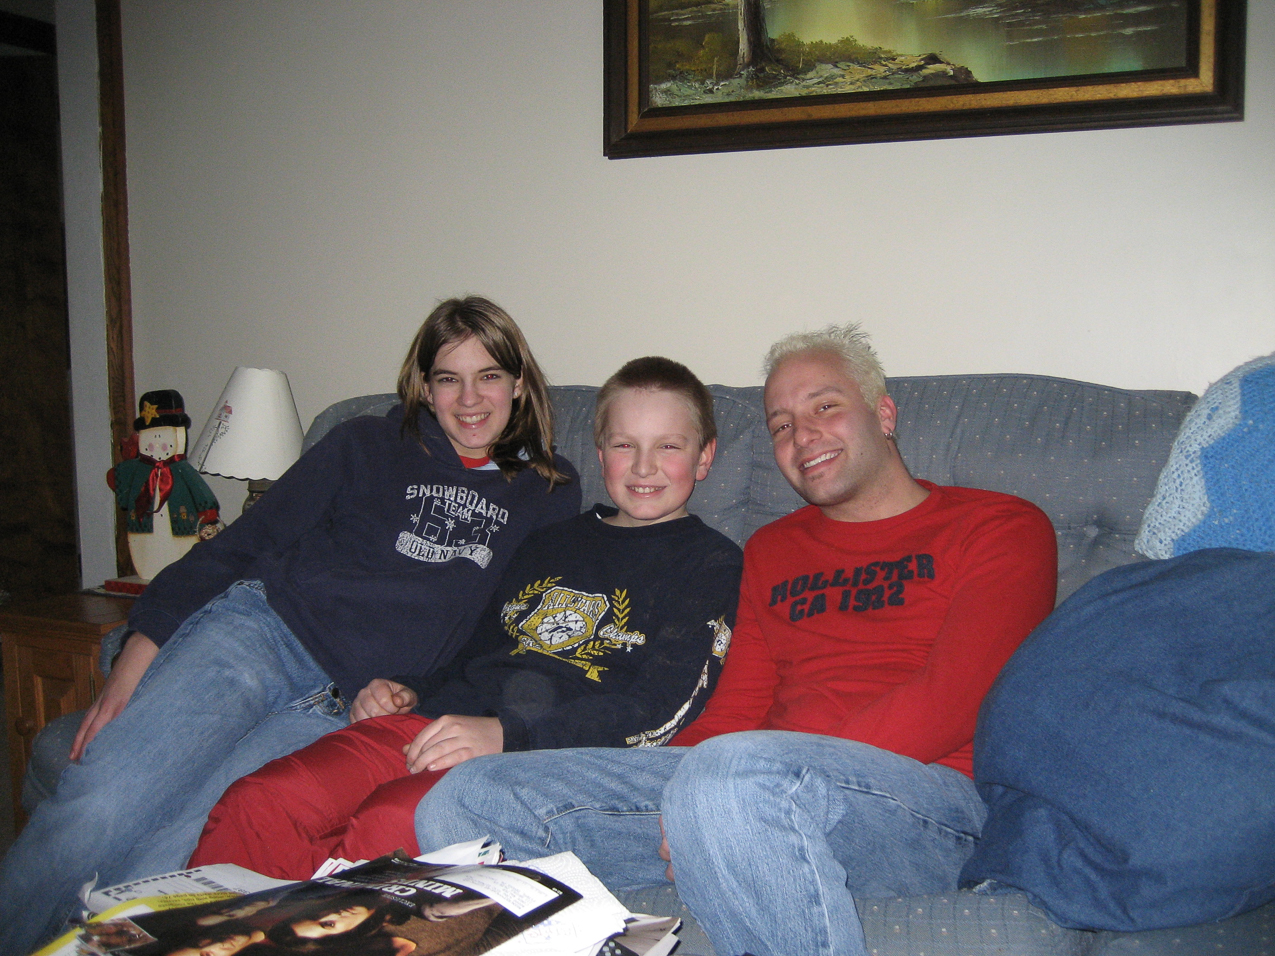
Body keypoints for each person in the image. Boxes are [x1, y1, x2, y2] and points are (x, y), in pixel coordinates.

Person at [412, 323, 1060, 956]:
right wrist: (685, 799)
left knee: (730, 776)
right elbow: (735, 707)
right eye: (780, 425)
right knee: (471, 798)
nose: (802, 435)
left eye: (825, 407)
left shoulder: (999, 525)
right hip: (746, 792)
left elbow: (954, 698)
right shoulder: (774, 549)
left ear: (883, 414)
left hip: (921, 802)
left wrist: (725, 789)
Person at [0, 296, 581, 956]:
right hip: (262, 637)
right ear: (424, 387)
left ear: (518, 382)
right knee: (103, 802)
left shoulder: (548, 491)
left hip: (344, 710)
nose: (469, 399)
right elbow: (243, 542)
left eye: (489, 376)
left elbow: (500, 634)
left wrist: (415, 691)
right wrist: (135, 654)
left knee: (176, 858)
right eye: (449, 378)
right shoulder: (364, 443)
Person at [185, 356, 744, 879]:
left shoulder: (711, 562)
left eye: (668, 446)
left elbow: (661, 710)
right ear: (600, 454)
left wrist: (507, 734)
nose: (644, 466)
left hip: (537, 756)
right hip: (434, 723)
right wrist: (407, 689)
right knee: (259, 803)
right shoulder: (548, 541)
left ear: (704, 457)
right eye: (625, 444)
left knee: (390, 825)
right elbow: (474, 652)